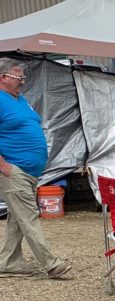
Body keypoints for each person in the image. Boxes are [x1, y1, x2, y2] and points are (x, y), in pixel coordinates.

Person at [0, 59, 72, 280]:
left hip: (29, 171)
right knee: (29, 216)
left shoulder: (20, 100)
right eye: (17, 78)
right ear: (3, 77)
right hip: (13, 170)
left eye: (23, 78)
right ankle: (51, 263)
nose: (22, 82)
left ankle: (8, 262)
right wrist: (3, 166)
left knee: (17, 218)